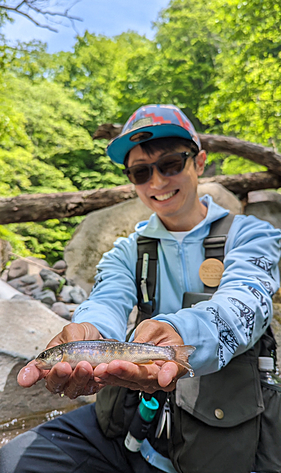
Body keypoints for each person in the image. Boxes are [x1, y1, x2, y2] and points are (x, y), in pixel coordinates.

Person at [1, 104, 280, 473]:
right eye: (141, 172)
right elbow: (105, 301)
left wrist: (180, 334)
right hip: (131, 431)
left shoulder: (253, 235)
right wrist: (89, 331)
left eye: (170, 165)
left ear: (198, 162)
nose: (157, 182)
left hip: (226, 437)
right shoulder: (126, 251)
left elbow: (246, 304)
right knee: (15, 461)